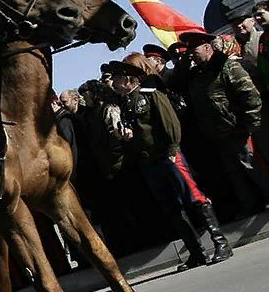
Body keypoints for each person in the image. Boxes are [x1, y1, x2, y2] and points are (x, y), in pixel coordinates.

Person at [109, 57, 231, 269]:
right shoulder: (126, 104)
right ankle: (196, 252)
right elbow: (139, 133)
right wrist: (127, 137)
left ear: (130, 78)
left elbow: (170, 122)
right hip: (150, 163)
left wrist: (173, 149)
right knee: (173, 209)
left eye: (118, 78)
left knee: (194, 198)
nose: (114, 83)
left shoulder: (151, 94)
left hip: (168, 157)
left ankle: (221, 242)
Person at [180, 30, 269, 217]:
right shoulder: (198, 75)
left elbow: (250, 96)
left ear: (207, 47)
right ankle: (251, 206)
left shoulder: (228, 67)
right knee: (235, 174)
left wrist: (250, 125)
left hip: (238, 130)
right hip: (218, 135)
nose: (191, 55)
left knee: (253, 167)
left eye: (194, 50)